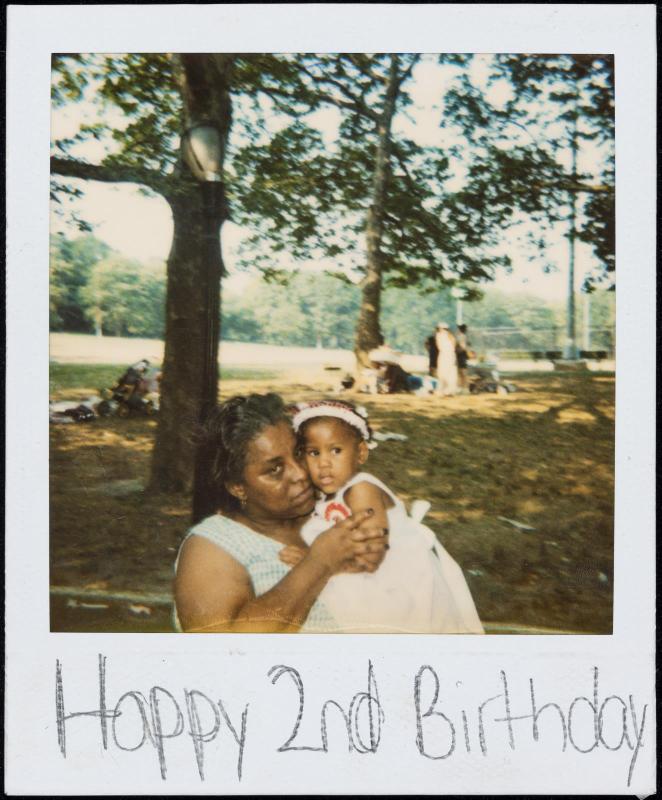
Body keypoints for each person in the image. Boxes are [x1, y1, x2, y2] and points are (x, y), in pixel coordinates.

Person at [174, 394, 389, 633]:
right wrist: (319, 563)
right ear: (237, 487)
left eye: (299, 453)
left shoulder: (335, 508)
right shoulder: (211, 547)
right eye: (275, 469)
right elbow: (221, 648)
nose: (300, 474)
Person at [280, 399, 484, 633]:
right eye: (314, 453)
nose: (324, 463)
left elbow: (372, 555)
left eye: (336, 451)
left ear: (361, 453)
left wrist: (314, 563)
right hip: (356, 574)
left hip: (392, 582)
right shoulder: (324, 498)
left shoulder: (362, 490)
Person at [435, 322, 458, 396]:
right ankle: (448, 390)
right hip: (449, 355)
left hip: (445, 355)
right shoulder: (449, 336)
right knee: (448, 373)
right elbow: (453, 345)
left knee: (444, 373)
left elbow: (439, 346)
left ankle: (445, 390)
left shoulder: (439, 335)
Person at [455, 324, 471, 394]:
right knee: (462, 372)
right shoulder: (463, 336)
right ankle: (464, 388)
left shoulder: (461, 336)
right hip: (462, 355)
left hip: (461, 355)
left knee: (462, 372)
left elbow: (462, 347)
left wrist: (457, 351)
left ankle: (463, 388)